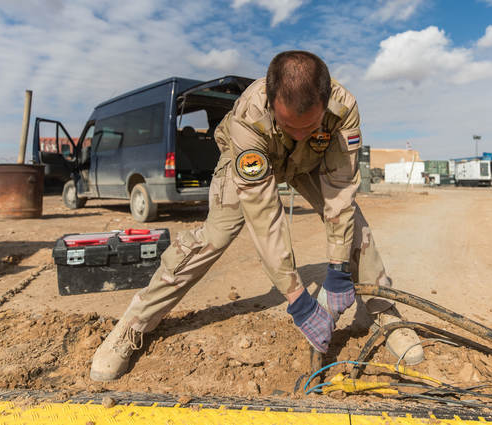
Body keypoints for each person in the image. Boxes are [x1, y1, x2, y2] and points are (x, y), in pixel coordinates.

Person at [90, 50, 423, 381]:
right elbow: (265, 218)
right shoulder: (248, 117)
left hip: (310, 161)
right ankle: (134, 324)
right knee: (214, 237)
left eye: (310, 126)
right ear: (272, 103)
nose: (299, 134)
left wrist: (337, 270)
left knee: (355, 225)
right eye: (289, 126)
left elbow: (340, 191)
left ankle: (383, 312)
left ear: (324, 104)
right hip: (251, 157)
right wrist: (298, 300)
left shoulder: (343, 108)